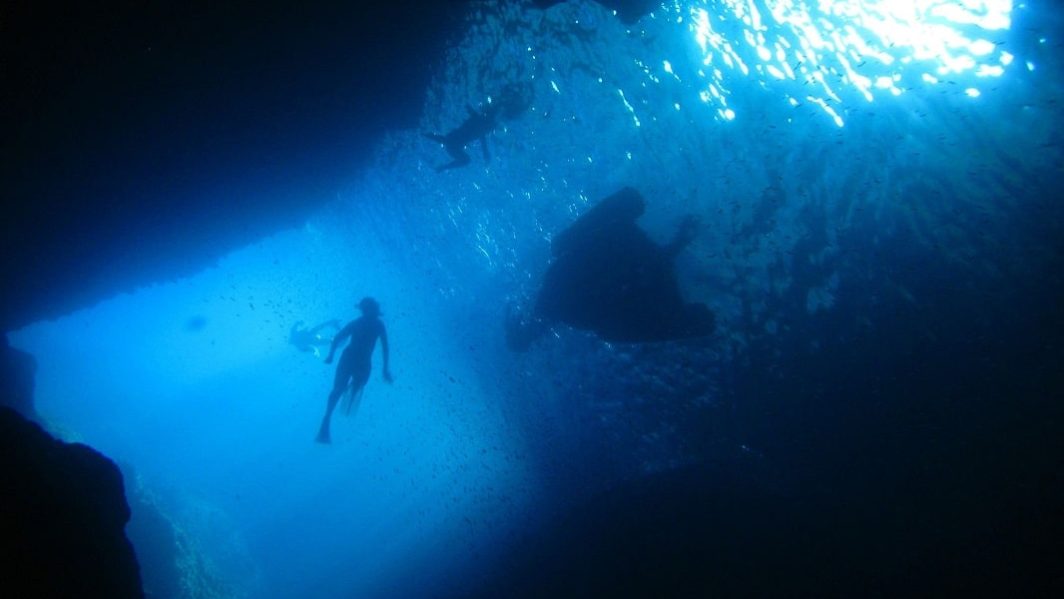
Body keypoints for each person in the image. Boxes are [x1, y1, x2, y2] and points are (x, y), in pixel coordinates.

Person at [316, 298, 392, 444]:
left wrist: (331, 355)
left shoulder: (361, 323)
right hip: (359, 361)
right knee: (342, 389)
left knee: (342, 388)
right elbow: (385, 347)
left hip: (352, 359)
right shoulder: (376, 324)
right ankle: (326, 422)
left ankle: (326, 423)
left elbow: (337, 338)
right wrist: (385, 369)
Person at [424, 101, 501, 171]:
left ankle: (427, 135)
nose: (490, 130)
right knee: (462, 155)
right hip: (454, 140)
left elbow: (484, 147)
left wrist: (486, 155)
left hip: (454, 140)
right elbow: (484, 146)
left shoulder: (480, 125)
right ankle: (427, 135)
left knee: (452, 145)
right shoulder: (480, 125)